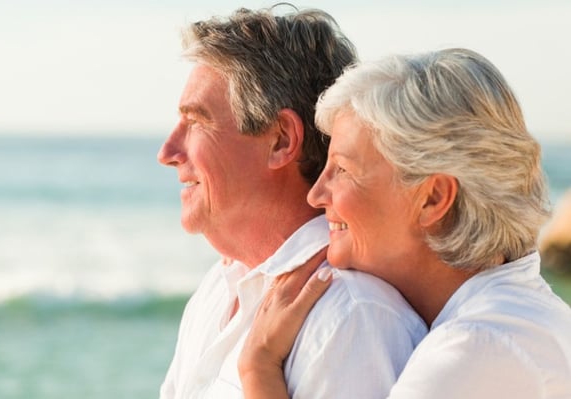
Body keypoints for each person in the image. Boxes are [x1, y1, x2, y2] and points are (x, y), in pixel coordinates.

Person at [240, 48, 571, 399]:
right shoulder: (520, 319)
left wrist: (259, 367)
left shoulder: (475, 349)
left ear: (432, 199)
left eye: (343, 170)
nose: (317, 194)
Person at [157, 4, 428, 399]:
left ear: (282, 140)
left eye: (197, 121)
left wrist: (259, 368)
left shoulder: (353, 316)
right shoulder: (219, 288)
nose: (167, 151)